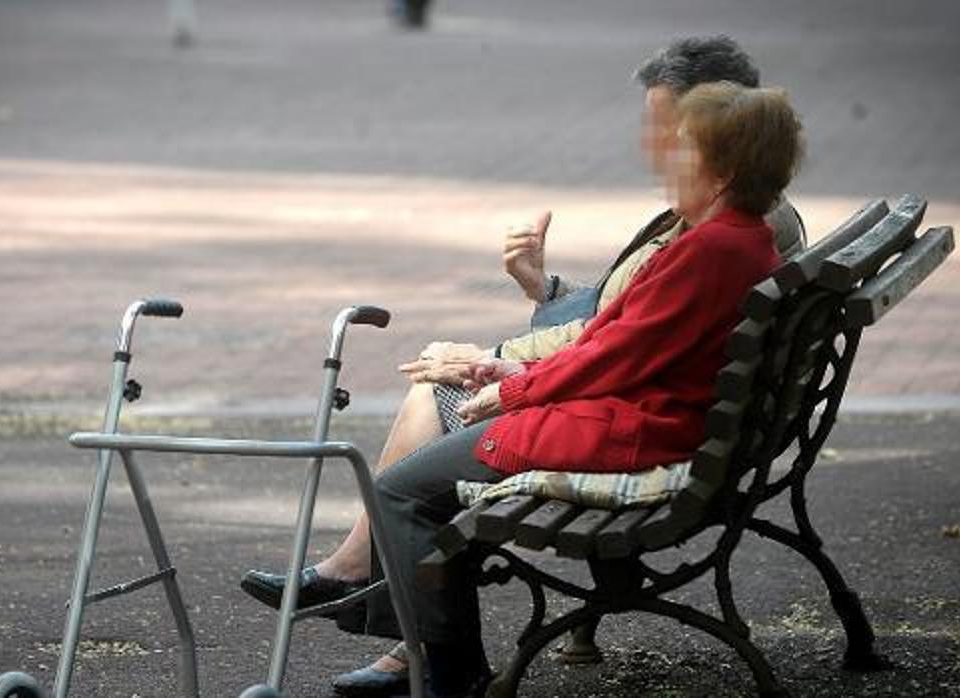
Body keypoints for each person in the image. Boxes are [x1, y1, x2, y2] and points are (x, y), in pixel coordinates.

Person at [239, 36, 806, 696]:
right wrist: (512, 369)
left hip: (632, 430)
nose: (659, 156)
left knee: (402, 489)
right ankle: (413, 642)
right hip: (653, 418)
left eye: (676, 140)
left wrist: (514, 391)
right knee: (427, 454)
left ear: (723, 165)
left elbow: (614, 352)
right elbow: (620, 335)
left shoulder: (709, 247)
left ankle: (441, 669)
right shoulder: (732, 236)